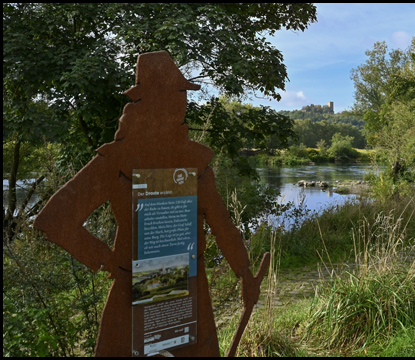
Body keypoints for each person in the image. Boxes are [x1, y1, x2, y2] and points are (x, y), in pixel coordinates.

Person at [34, 51, 259, 357]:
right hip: (132, 297)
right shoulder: (115, 161)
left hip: (188, 295)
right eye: (174, 92)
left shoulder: (196, 160)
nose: (182, 100)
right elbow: (55, 220)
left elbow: (222, 224)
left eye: (182, 93)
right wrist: (106, 259)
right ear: (151, 99)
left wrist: (245, 273)